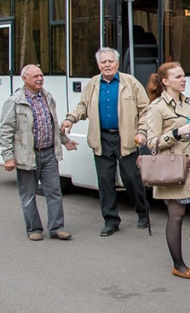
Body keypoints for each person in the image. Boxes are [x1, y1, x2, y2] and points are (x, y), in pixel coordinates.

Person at [61, 48, 150, 236]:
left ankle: (142, 212)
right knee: (105, 182)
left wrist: (142, 132)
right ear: (98, 65)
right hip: (101, 139)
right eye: (103, 62)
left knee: (132, 179)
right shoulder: (93, 84)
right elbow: (82, 107)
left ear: (117, 64)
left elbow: (145, 109)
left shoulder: (130, 82)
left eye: (111, 61)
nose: (107, 65)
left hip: (126, 138)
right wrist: (70, 119)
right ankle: (111, 221)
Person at [145, 62, 190, 279]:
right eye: (178, 77)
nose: (183, 79)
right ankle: (179, 264)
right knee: (176, 215)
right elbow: (151, 142)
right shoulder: (156, 107)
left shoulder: (189, 102)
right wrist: (175, 133)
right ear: (165, 81)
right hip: (173, 168)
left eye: (183, 76)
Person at [0, 65, 78, 241]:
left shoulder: (47, 97)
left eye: (41, 75)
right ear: (25, 79)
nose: (40, 79)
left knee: (54, 192)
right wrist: (8, 157)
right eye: (35, 76)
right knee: (28, 195)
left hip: (49, 152)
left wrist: (65, 141)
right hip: (27, 155)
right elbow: (5, 131)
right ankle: (34, 229)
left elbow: (52, 124)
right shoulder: (14, 101)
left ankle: (57, 228)